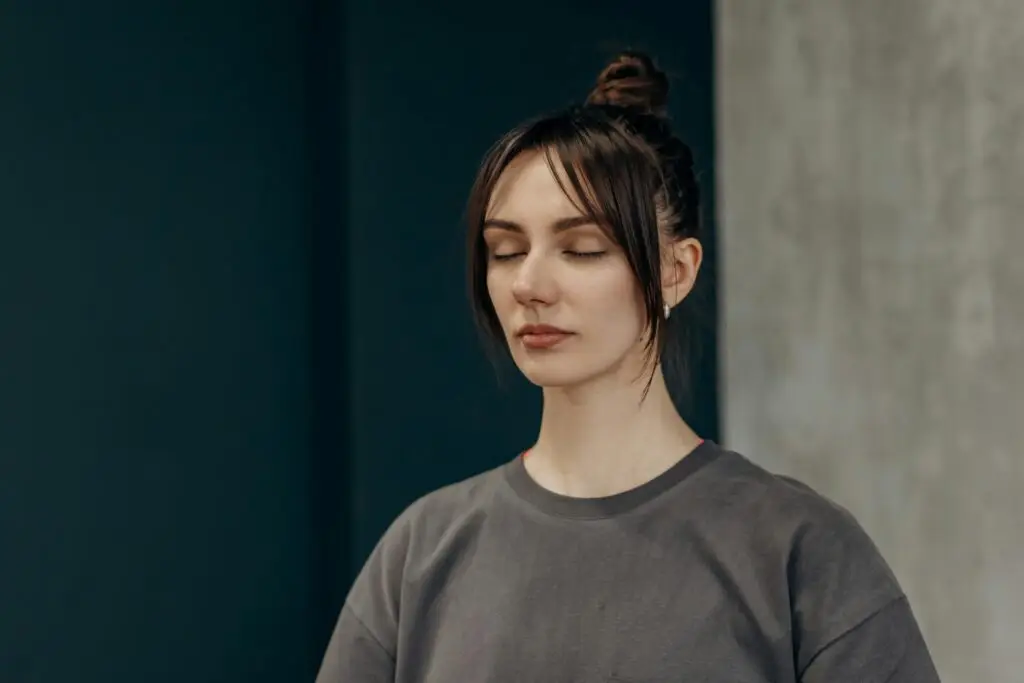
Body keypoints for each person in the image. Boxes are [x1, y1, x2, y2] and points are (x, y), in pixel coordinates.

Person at [315, 52, 941, 683]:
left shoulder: (799, 552)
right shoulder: (421, 554)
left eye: (581, 249)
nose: (529, 283)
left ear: (677, 271)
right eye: (505, 251)